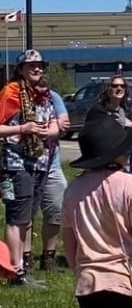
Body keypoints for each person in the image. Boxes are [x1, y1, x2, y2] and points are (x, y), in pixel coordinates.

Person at [62, 116, 132, 308]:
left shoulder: (73, 189)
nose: (129, 153)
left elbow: (69, 242)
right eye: (125, 149)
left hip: (89, 284)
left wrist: (78, 271)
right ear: (116, 154)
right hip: (128, 281)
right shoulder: (131, 184)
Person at [0, 50, 61, 288]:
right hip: (15, 165)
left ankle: (21, 269)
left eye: (40, 65)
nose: (37, 69)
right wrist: (23, 129)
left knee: (27, 219)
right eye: (31, 65)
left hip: (38, 162)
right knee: (17, 218)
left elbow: (56, 122)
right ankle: (15, 272)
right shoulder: (11, 92)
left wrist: (50, 131)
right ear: (21, 69)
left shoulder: (44, 95)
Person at [24, 78, 70, 272]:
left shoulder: (53, 97)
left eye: (40, 68)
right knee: (25, 214)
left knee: (56, 210)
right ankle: (24, 259)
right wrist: (50, 128)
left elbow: (64, 124)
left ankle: (48, 257)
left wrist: (45, 130)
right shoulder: (19, 97)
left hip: (52, 164)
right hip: (25, 165)